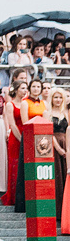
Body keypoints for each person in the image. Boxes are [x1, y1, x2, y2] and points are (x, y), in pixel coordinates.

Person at [16, 78, 48, 213]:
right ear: (30, 88)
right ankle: (23, 203)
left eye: (38, 86)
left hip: (43, 139)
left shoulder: (44, 103)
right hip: (30, 137)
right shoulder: (25, 103)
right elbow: (25, 123)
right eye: (33, 86)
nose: (36, 89)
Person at [50, 88, 68, 220]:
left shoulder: (65, 113)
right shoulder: (47, 113)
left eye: (60, 97)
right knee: (57, 176)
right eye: (56, 97)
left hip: (66, 143)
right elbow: (48, 133)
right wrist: (58, 149)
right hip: (54, 146)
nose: (58, 100)